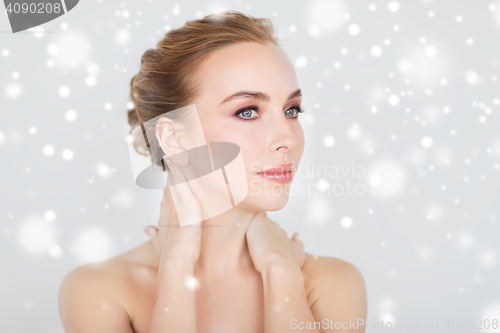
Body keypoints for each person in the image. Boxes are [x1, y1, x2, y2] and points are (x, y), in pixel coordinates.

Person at [58, 10, 367, 333]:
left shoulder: (331, 282)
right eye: (247, 111)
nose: (288, 138)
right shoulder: (99, 290)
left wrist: (281, 272)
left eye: (291, 110)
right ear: (174, 138)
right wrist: (176, 269)